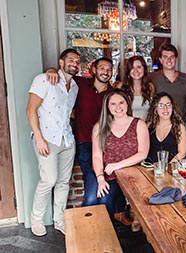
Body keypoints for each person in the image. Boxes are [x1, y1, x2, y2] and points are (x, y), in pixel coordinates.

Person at [26, 48, 80, 236]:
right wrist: (38, 138)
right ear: (61, 62)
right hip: (47, 139)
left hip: (67, 140)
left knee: (64, 182)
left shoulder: (74, 87)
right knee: (49, 180)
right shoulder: (43, 80)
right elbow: (30, 110)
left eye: (77, 61)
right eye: (71, 60)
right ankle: (36, 219)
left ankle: (59, 220)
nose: (74, 63)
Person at [82, 89, 149, 218]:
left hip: (126, 173)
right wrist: (100, 178)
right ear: (107, 106)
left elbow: (142, 153)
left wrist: (117, 165)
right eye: (113, 104)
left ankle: (106, 236)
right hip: (103, 171)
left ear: (127, 104)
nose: (118, 107)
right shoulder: (100, 127)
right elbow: (96, 156)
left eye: (121, 102)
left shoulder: (139, 124)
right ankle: (88, 235)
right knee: (90, 201)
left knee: (105, 201)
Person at [46, 57, 114, 182]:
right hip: (84, 141)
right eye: (102, 68)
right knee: (90, 177)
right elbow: (64, 75)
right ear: (94, 70)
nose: (106, 72)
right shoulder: (80, 83)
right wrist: (51, 70)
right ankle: (92, 201)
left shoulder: (113, 93)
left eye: (109, 69)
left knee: (108, 177)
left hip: (106, 142)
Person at [149, 44, 186, 121]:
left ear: (176, 58)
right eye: (165, 57)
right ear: (160, 59)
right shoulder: (152, 78)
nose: (169, 60)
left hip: (182, 124)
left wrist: (184, 116)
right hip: (160, 125)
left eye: (172, 57)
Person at [145, 92, 186, 163]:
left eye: (168, 105)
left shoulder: (179, 126)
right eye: (161, 105)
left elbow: (182, 153)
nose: (165, 108)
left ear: (172, 108)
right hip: (150, 167)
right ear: (155, 108)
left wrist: (167, 166)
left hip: (171, 168)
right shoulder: (148, 125)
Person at [114, 56, 155, 120]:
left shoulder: (150, 87)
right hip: (125, 126)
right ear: (128, 70)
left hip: (145, 127)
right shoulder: (121, 86)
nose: (136, 70)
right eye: (132, 68)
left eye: (139, 67)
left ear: (144, 69)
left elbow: (151, 112)